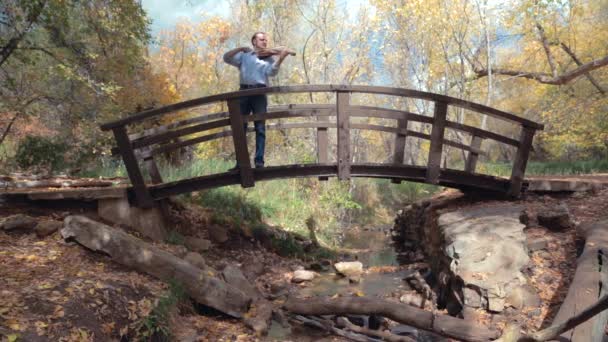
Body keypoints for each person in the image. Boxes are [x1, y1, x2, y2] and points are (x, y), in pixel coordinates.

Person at [223, 31, 291, 169]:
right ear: (254, 41)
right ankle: (241, 163)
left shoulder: (269, 58)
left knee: (260, 128)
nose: (264, 42)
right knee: (240, 128)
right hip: (243, 92)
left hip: (260, 93)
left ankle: (259, 162)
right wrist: (240, 48)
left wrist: (281, 58)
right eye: (261, 40)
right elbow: (226, 58)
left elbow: (272, 72)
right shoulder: (245, 56)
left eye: (265, 40)